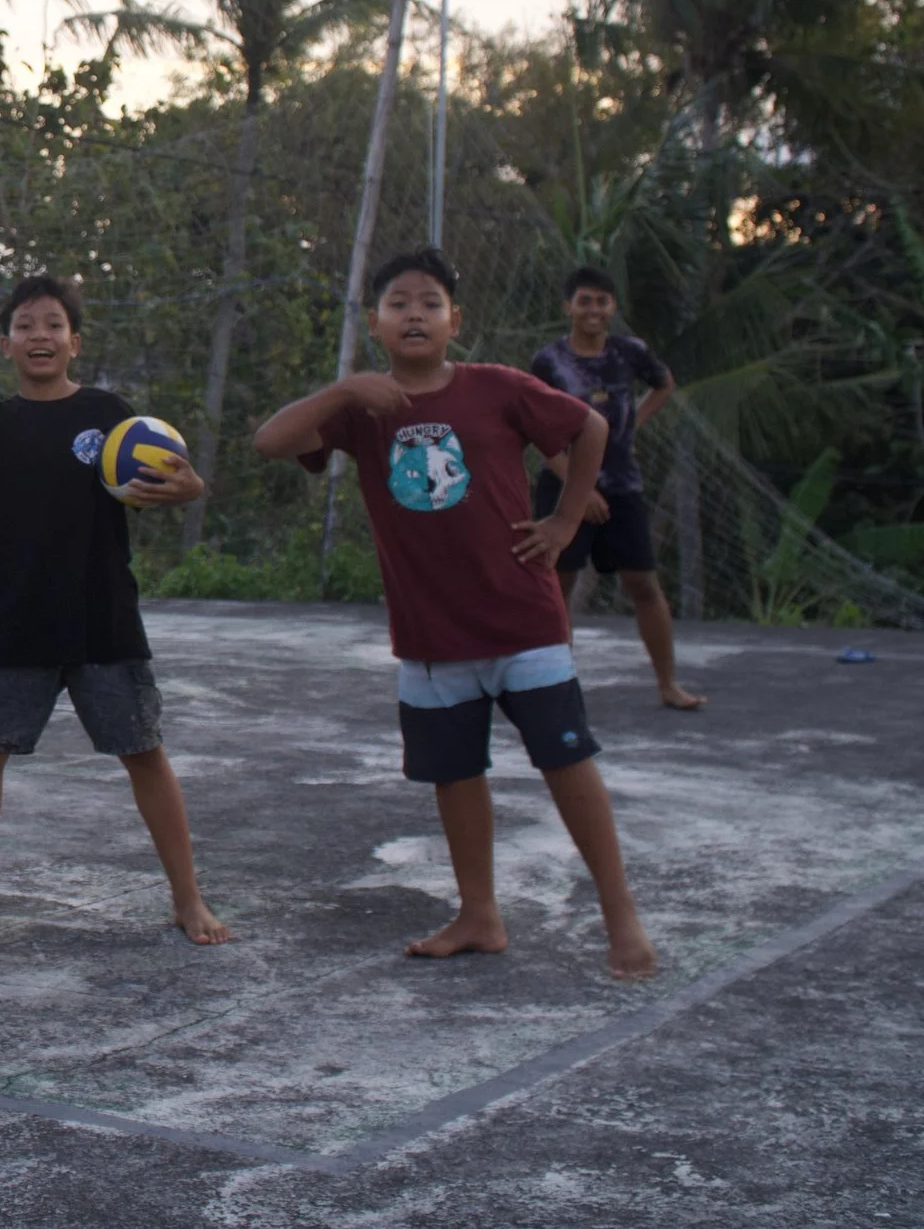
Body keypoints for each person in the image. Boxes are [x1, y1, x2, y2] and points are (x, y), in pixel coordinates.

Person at [252, 248, 657, 979]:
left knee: (566, 759)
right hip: (431, 638)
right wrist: (345, 388)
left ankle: (620, 916)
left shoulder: (496, 387)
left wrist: (566, 521)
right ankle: (480, 913)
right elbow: (270, 442)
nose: (415, 314)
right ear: (375, 322)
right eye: (399, 303)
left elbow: (589, 430)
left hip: (523, 623)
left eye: (430, 303)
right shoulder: (361, 408)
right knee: (456, 774)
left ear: (455, 321)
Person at [0, 276, 229, 944]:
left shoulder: (111, 417)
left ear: (75, 342)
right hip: (13, 624)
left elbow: (175, 480)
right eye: (26, 325)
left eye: (54, 324)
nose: (40, 335)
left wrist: (193, 486)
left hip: (103, 622)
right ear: (5, 344)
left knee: (145, 754)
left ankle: (189, 898)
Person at [528, 267, 701, 710]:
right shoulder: (549, 361)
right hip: (563, 488)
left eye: (602, 301)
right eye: (584, 301)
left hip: (622, 485)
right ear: (568, 306)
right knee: (556, 588)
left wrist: (630, 426)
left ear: (613, 307)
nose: (593, 310)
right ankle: (556, 691)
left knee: (643, 583)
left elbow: (663, 385)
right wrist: (580, 489)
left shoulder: (630, 352)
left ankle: (668, 684)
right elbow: (537, 432)